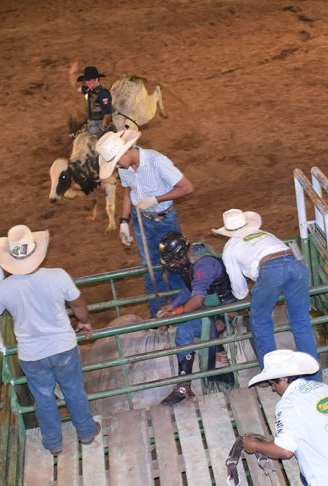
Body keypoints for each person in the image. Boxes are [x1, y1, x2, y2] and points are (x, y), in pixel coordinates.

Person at [0, 224, 99, 455]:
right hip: (63, 347)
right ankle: (86, 431)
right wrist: (85, 321)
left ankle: (53, 443)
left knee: (43, 398)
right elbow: (78, 304)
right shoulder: (58, 276)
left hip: (32, 355)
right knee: (74, 390)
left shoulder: (4, 289)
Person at [213, 209, 321, 381]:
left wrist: (244, 295)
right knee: (301, 321)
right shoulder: (265, 234)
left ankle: (274, 377)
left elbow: (240, 290)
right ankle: (313, 377)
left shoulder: (230, 248)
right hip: (295, 265)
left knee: (261, 322)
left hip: (271, 270)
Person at [96, 129, 194, 317]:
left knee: (175, 264)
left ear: (124, 153)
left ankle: (178, 311)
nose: (116, 168)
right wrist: (124, 221)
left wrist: (157, 199)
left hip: (164, 220)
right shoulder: (125, 168)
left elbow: (187, 187)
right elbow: (129, 192)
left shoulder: (157, 161)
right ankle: (156, 314)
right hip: (141, 220)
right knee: (149, 268)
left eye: (116, 163)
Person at [242, 350, 328, 486]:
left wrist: (255, 445)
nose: (273, 389)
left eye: (273, 384)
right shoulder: (325, 389)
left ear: (283, 379)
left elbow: (285, 451)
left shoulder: (288, 404)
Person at [155, 232, 236, 405]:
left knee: (184, 331)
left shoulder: (203, 266)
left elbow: (197, 299)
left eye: (172, 261)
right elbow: (191, 287)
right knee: (182, 317)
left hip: (223, 311)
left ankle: (184, 385)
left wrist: (174, 315)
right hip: (213, 305)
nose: (172, 265)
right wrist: (172, 306)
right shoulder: (195, 253)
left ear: (180, 254)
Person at [68, 62, 113, 138]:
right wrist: (71, 74)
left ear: (96, 79)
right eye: (86, 80)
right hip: (91, 124)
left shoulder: (103, 94)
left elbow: (108, 115)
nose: (87, 82)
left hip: (99, 125)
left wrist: (102, 129)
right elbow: (76, 87)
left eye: (89, 80)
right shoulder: (89, 90)